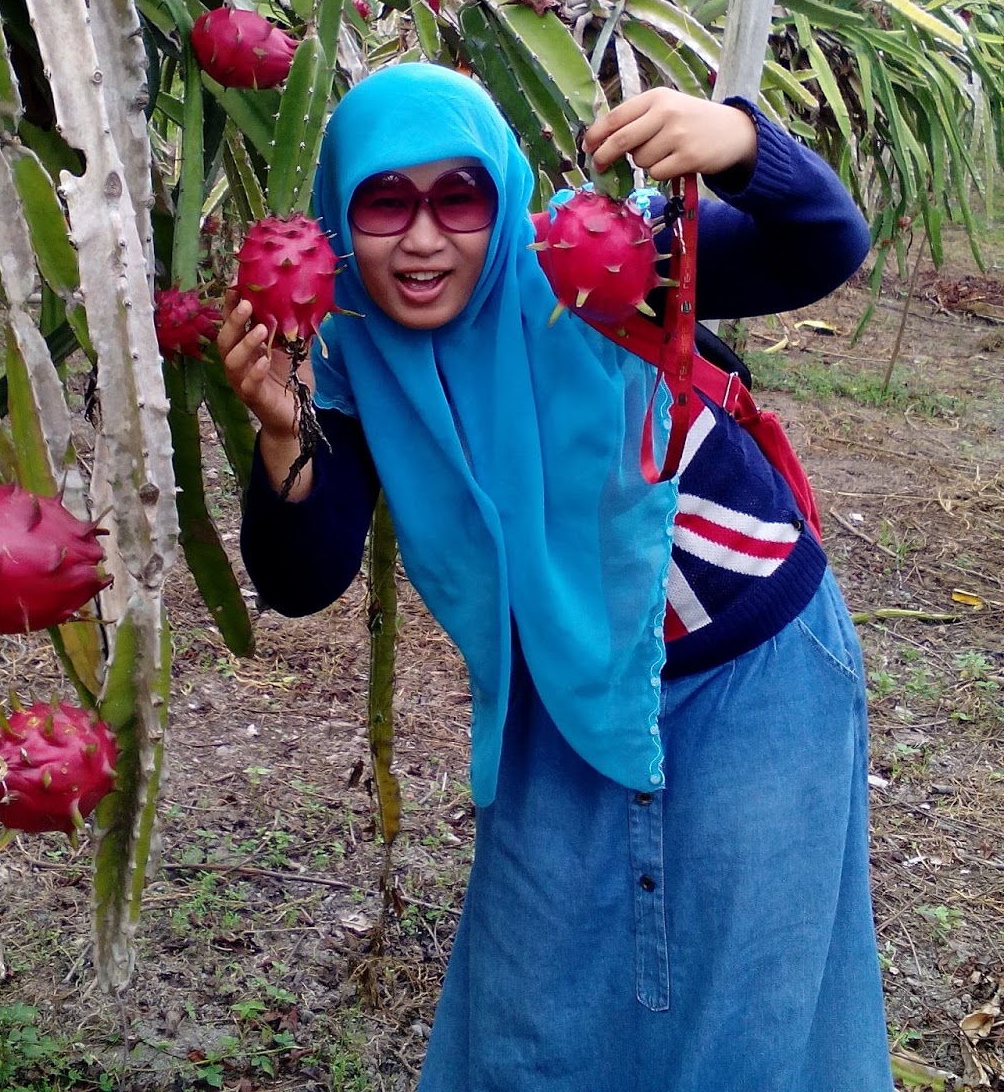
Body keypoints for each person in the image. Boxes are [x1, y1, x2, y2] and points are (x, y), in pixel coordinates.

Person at [218, 65, 893, 1092]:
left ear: (503, 190)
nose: (425, 237)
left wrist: (743, 142)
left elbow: (824, 243)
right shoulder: (346, 355)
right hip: (559, 698)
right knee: (536, 1019)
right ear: (338, 216)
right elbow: (305, 577)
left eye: (460, 197)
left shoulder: (596, 264)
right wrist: (281, 432)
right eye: (385, 201)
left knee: (748, 1009)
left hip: (756, 671)